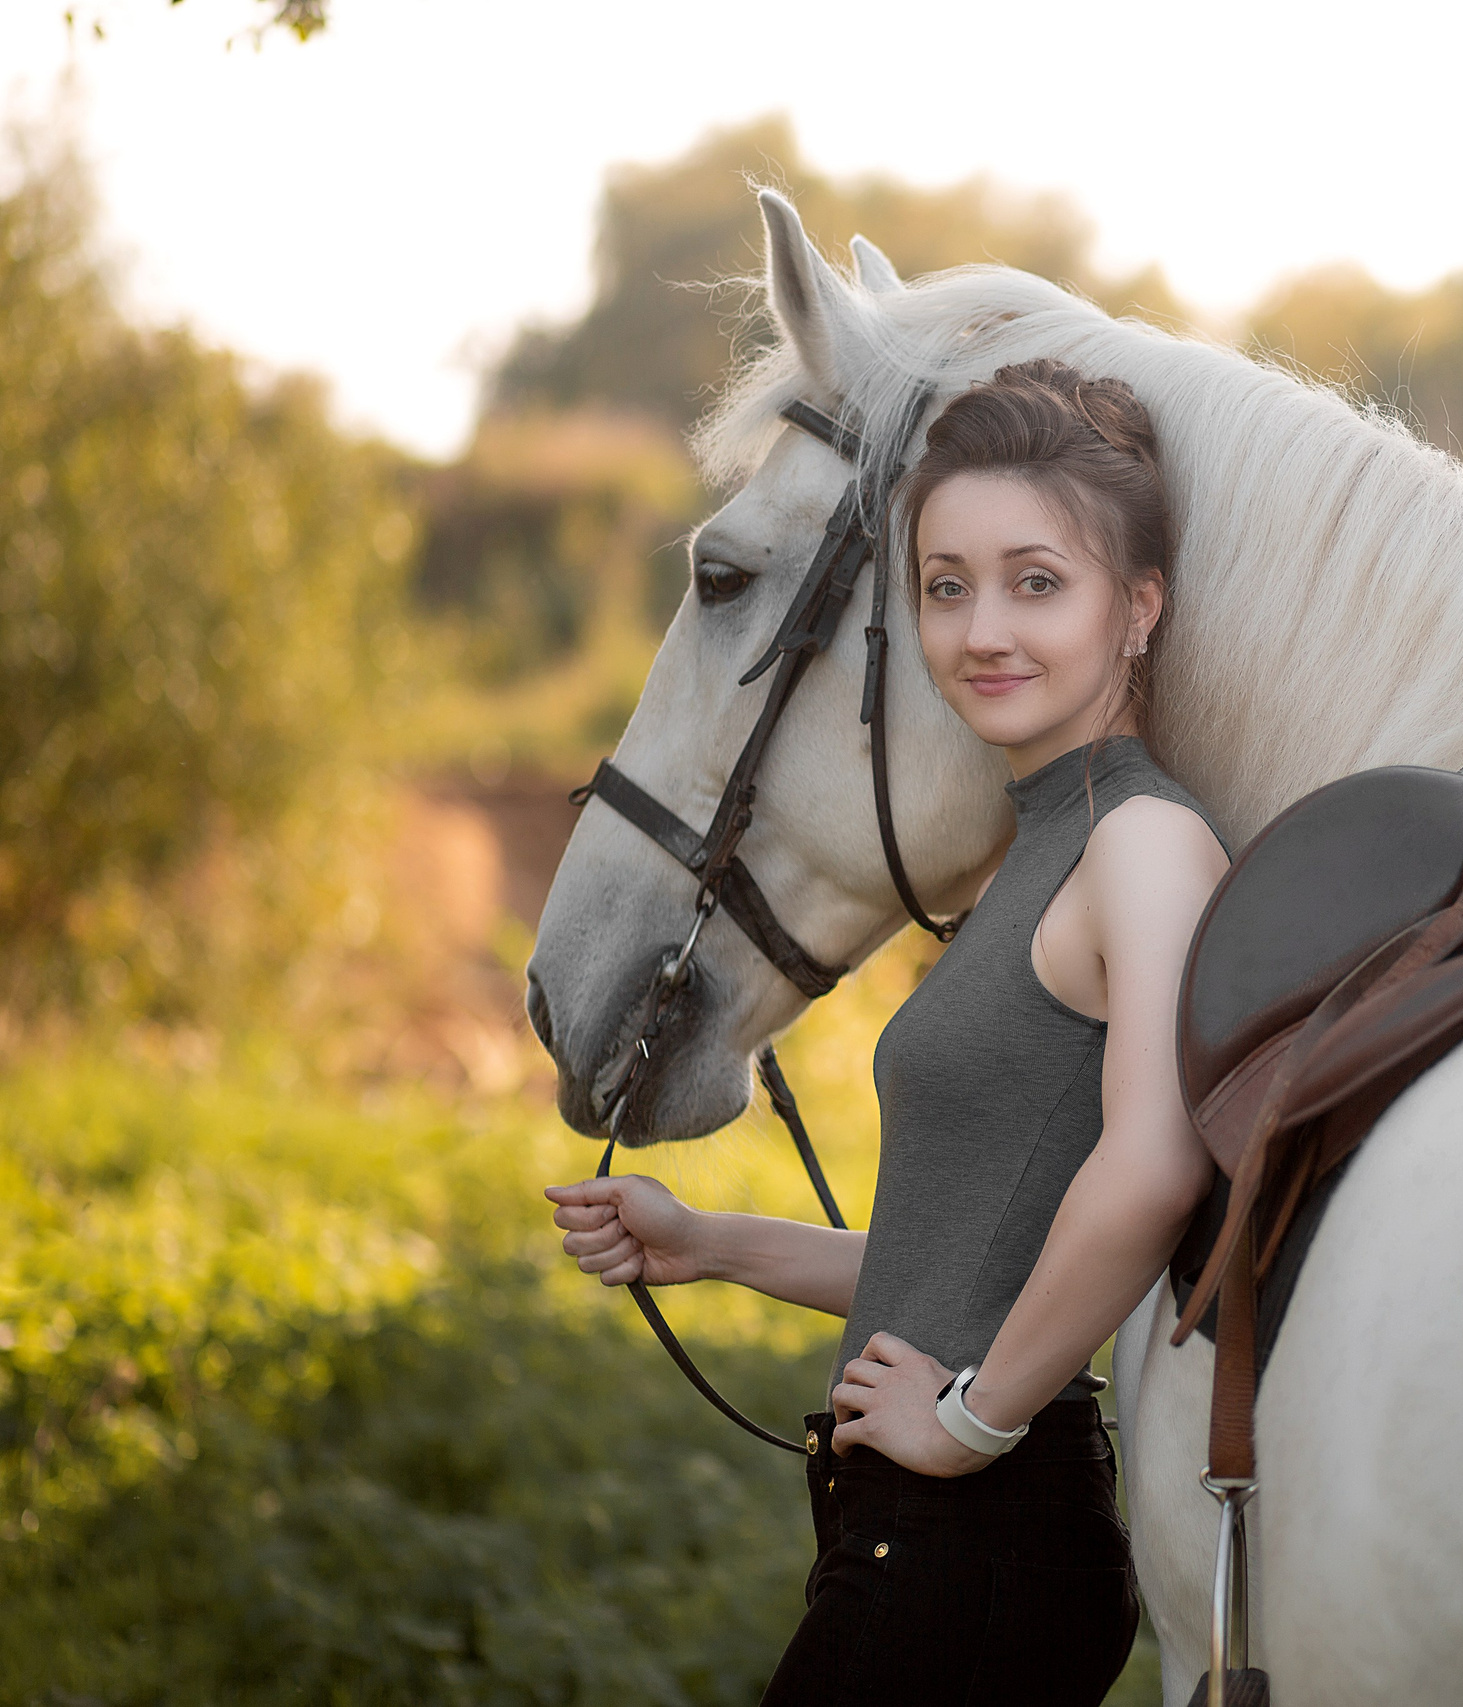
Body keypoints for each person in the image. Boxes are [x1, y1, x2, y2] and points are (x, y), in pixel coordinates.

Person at [543, 359, 1229, 1705]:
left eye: (1039, 582)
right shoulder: (1031, 855)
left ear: (1137, 608)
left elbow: (1152, 1170)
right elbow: (964, 1260)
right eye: (945, 584)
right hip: (915, 1528)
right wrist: (713, 1243)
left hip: (983, 1535)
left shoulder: (1141, 844)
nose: (983, 628)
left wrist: (974, 1422)